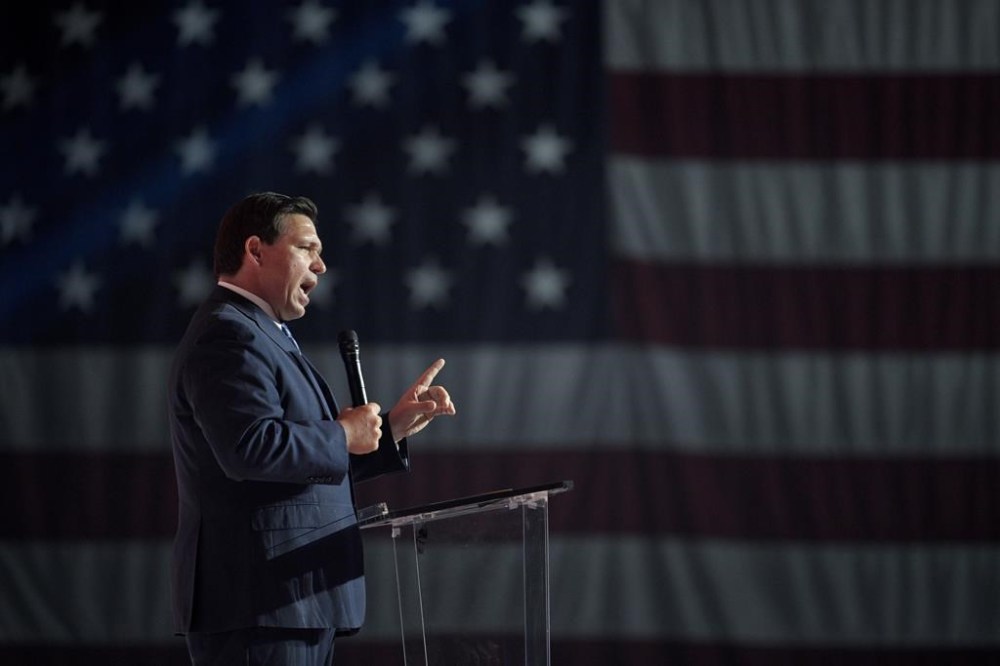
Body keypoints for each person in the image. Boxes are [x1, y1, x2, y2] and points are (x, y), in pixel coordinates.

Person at [167, 191, 456, 665]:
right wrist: (343, 435)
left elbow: (296, 468)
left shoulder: (262, 333)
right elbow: (251, 448)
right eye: (307, 248)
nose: (320, 266)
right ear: (255, 250)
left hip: (290, 602)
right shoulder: (228, 334)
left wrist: (389, 431)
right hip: (259, 604)